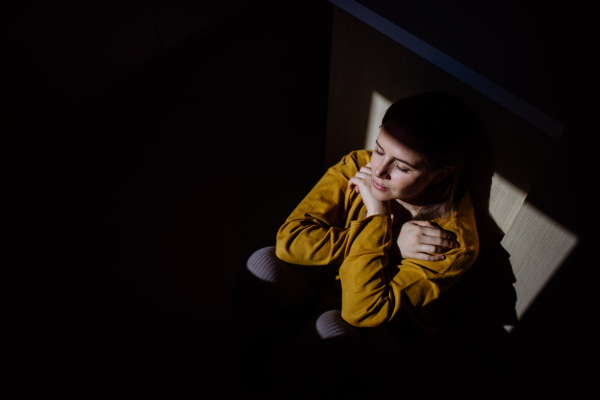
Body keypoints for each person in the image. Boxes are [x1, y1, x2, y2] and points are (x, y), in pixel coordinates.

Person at [233, 92, 479, 396]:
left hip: (384, 333)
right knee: (263, 264)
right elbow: (289, 241)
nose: (378, 170)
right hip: (328, 285)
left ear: (440, 174)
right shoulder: (359, 165)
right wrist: (389, 243)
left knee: (330, 330)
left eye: (401, 167)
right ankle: (246, 368)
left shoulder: (451, 241)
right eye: (379, 149)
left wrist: (377, 215)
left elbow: (359, 312)